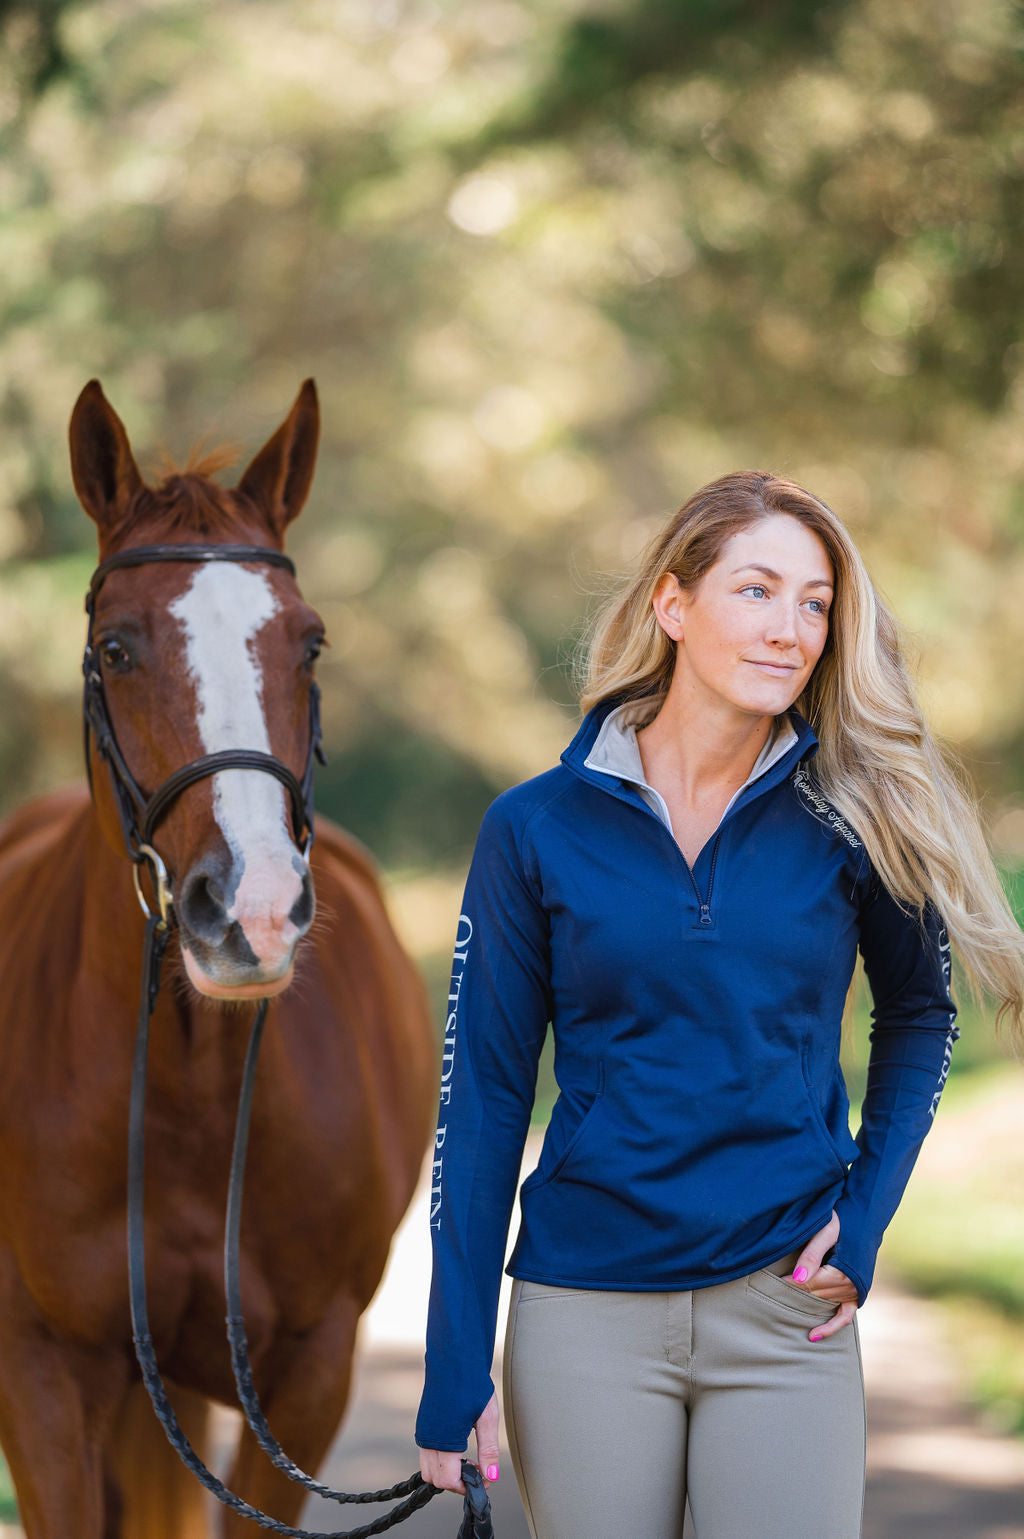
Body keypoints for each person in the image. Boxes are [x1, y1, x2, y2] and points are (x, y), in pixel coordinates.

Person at [414, 471, 1024, 1539]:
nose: (790, 628)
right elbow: (484, 1095)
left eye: (814, 603)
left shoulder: (854, 813)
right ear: (672, 604)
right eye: (755, 590)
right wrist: (455, 1360)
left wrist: (866, 1218)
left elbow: (920, 1016)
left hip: (784, 1310)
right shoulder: (534, 829)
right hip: (582, 1315)